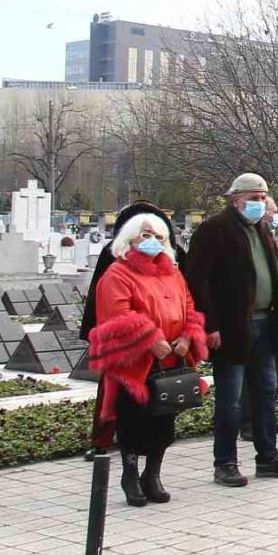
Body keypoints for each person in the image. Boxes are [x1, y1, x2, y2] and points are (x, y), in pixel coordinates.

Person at [183, 173, 278, 488]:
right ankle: (225, 463)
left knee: (266, 393)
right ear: (235, 199)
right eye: (253, 198)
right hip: (233, 326)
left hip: (266, 322)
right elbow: (197, 282)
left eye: (262, 198)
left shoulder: (261, 228)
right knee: (231, 399)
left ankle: (268, 456)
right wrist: (209, 325)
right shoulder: (213, 231)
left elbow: (265, 274)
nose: (259, 204)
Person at [86, 210, 208, 507]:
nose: (153, 242)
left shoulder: (173, 272)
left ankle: (152, 474)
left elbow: (189, 305)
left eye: (159, 237)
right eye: (146, 235)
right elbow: (117, 313)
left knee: (164, 420)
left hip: (170, 361)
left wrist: (188, 335)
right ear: (131, 239)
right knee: (133, 420)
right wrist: (151, 339)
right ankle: (130, 474)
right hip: (135, 363)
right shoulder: (118, 272)